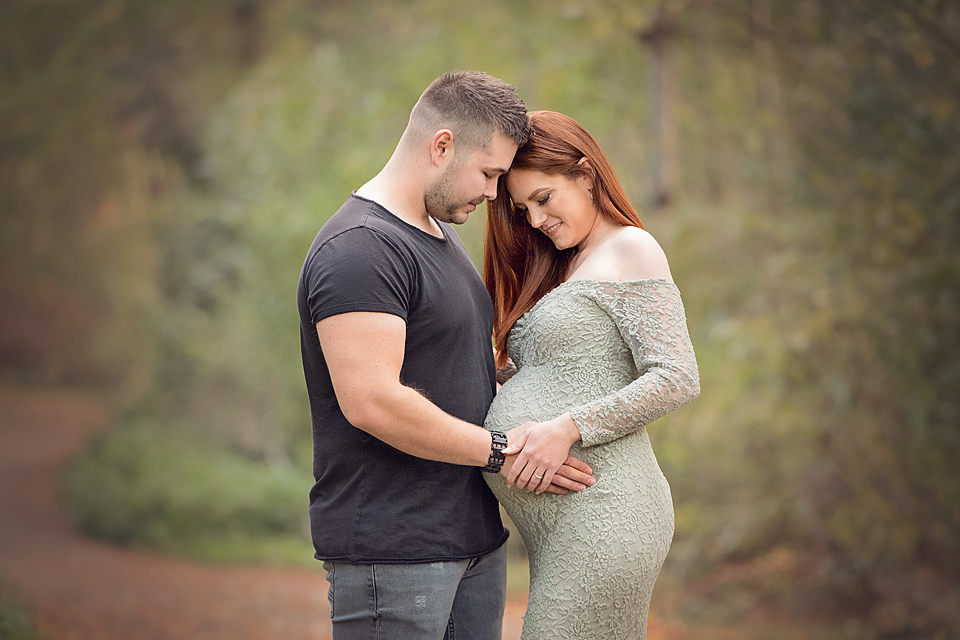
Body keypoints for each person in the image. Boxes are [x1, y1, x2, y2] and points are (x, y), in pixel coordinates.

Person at [296, 73, 594, 640]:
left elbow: (458, 369)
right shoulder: (360, 248)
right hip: (395, 552)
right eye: (489, 174)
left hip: (474, 542)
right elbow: (373, 402)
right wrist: (503, 453)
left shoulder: (437, 238)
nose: (491, 194)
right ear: (442, 145)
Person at [482, 110, 701, 640]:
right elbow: (570, 369)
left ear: (585, 174)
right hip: (571, 527)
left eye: (543, 198)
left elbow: (676, 375)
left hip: (607, 514)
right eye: (522, 208)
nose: (534, 221)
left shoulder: (631, 247)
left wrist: (565, 428)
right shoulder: (570, 264)